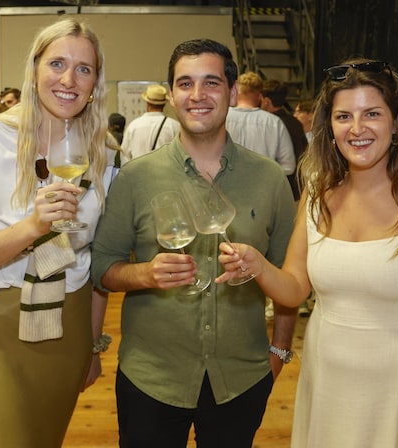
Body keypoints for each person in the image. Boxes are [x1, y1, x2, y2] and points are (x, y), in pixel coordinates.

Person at [216, 59, 398, 447]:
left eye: (371, 113)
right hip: (329, 381)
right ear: (330, 127)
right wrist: (257, 264)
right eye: (344, 116)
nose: (357, 129)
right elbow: (293, 289)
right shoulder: (318, 193)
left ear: (396, 121)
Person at [92, 38, 297, 447]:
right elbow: (103, 269)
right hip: (152, 377)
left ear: (233, 92)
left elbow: (290, 278)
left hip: (240, 378)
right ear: (171, 95)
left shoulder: (269, 179)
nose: (197, 95)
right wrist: (144, 273)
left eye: (211, 83)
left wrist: (279, 352)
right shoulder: (135, 178)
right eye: (185, 84)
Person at [0, 18, 115, 448]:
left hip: (68, 326)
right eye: (57, 63)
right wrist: (32, 228)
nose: (69, 79)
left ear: (95, 83)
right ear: (34, 70)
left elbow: (94, 264)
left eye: (84, 69)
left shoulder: (105, 154)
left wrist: (92, 345)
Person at [225, 71, 295, 176]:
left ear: (235, 92)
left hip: (225, 186)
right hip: (264, 187)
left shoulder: (222, 117)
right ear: (259, 96)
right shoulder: (274, 122)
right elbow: (289, 166)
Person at [120, 84, 180, 164]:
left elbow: (125, 156)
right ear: (164, 104)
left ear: (147, 103)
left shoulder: (133, 126)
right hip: (164, 175)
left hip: (137, 174)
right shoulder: (174, 126)